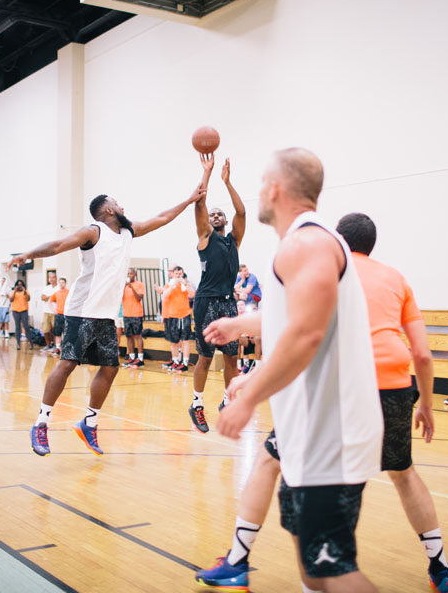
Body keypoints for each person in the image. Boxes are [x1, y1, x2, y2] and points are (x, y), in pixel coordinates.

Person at [196, 212, 448, 593]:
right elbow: (421, 353)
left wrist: (250, 365)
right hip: (394, 387)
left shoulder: (332, 268)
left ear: (337, 239)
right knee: (403, 472)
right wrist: (426, 405)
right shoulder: (395, 278)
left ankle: (239, 561)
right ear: (372, 245)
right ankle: (439, 567)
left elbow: (297, 326)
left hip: (344, 387)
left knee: (271, 461)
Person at [203, 148, 384, 593]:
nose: (261, 189)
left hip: (332, 433)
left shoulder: (308, 242)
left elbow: (306, 334)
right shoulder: (302, 244)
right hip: (310, 431)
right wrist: (239, 324)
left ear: (275, 188)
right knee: (313, 568)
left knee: (332, 568)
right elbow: (293, 317)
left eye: (262, 182)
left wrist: (247, 396)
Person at [8, 181, 206, 457]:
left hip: (105, 315)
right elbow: (59, 245)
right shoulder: (94, 231)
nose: (123, 206)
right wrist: (29, 254)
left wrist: (187, 201)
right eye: (118, 203)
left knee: (110, 368)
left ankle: (89, 422)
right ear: (109, 209)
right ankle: (42, 422)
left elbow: (161, 218)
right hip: (82, 310)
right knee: (67, 364)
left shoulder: (128, 232)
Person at [190, 154, 246, 434]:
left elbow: (242, 213)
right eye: (212, 214)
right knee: (205, 356)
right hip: (206, 303)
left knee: (232, 357)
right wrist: (208, 174)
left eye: (219, 214)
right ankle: (197, 405)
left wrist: (228, 182)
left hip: (228, 303)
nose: (215, 216)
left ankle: (227, 401)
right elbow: (199, 203)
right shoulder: (205, 237)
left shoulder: (233, 240)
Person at [159, 266, 195, 372]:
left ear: (182, 274)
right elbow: (165, 295)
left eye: (180, 273)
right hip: (173, 316)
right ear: (173, 274)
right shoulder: (169, 284)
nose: (178, 275)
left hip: (185, 315)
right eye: (176, 274)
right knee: (174, 341)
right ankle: (175, 361)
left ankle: (184, 363)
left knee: (185, 340)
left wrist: (183, 283)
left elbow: (192, 294)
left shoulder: (186, 284)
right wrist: (173, 284)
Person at [121, 268, 146, 367]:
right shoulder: (123, 286)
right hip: (126, 314)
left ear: (134, 274)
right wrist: (123, 287)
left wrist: (132, 287)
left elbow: (139, 298)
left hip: (136, 314)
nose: (129, 275)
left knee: (138, 336)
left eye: (131, 273)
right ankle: (131, 357)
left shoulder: (139, 284)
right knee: (128, 337)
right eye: (127, 273)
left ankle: (140, 358)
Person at [8, 279, 32, 350]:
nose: (19, 286)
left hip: (24, 310)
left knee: (26, 326)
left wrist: (24, 291)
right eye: (18, 285)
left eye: (21, 285)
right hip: (15, 311)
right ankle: (18, 343)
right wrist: (15, 291)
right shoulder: (13, 292)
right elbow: (11, 300)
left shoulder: (26, 292)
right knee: (17, 327)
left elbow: (28, 299)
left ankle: (30, 342)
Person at [39, 271, 58, 353]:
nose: (52, 279)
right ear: (49, 279)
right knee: (45, 329)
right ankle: (48, 345)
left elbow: (58, 298)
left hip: (55, 312)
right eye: (51, 278)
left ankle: (55, 345)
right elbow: (43, 298)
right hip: (46, 311)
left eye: (54, 277)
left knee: (55, 330)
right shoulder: (46, 288)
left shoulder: (59, 288)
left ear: (56, 278)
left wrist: (49, 297)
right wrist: (52, 296)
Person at [49, 278, 69, 353]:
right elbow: (50, 301)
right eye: (60, 283)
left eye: (63, 282)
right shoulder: (56, 293)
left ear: (65, 283)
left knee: (66, 332)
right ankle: (57, 348)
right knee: (57, 332)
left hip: (66, 315)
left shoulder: (69, 292)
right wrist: (53, 310)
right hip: (58, 315)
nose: (61, 284)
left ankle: (66, 348)